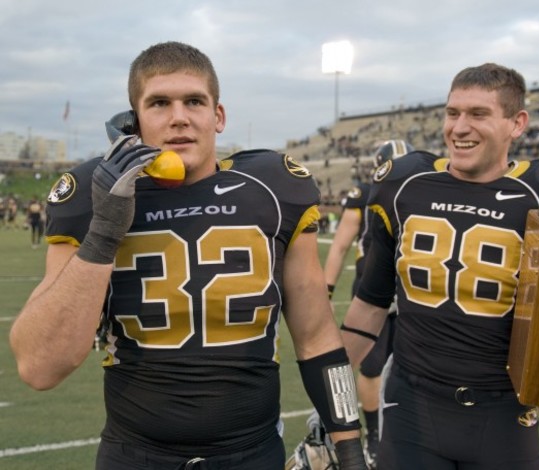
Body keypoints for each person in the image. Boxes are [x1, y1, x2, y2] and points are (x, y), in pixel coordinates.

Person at [10, 41, 366, 470]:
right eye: (159, 103)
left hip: (251, 455)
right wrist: (104, 231)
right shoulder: (93, 196)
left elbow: (318, 340)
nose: (179, 116)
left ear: (218, 116)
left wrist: (349, 447)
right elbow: (39, 367)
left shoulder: (272, 191)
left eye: (194, 101)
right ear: (132, 122)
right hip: (134, 456)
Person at [339, 63, 539, 469]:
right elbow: (371, 304)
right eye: (452, 113)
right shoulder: (405, 185)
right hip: (412, 411)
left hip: (504, 416)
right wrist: (333, 396)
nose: (459, 127)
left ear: (517, 123)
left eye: (478, 114)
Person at [323, 139, 412, 468]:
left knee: (408, 368)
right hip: (373, 291)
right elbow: (339, 246)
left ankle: (397, 434)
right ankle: (373, 436)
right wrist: (326, 293)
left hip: (409, 295)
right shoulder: (365, 195)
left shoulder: (422, 194)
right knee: (371, 366)